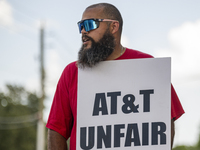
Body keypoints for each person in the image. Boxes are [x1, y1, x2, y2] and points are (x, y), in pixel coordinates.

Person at [46, 3, 184, 150]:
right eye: (81, 26)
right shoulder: (71, 73)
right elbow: (56, 131)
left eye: (90, 24)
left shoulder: (147, 66)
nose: (83, 31)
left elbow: (166, 120)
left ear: (113, 27)